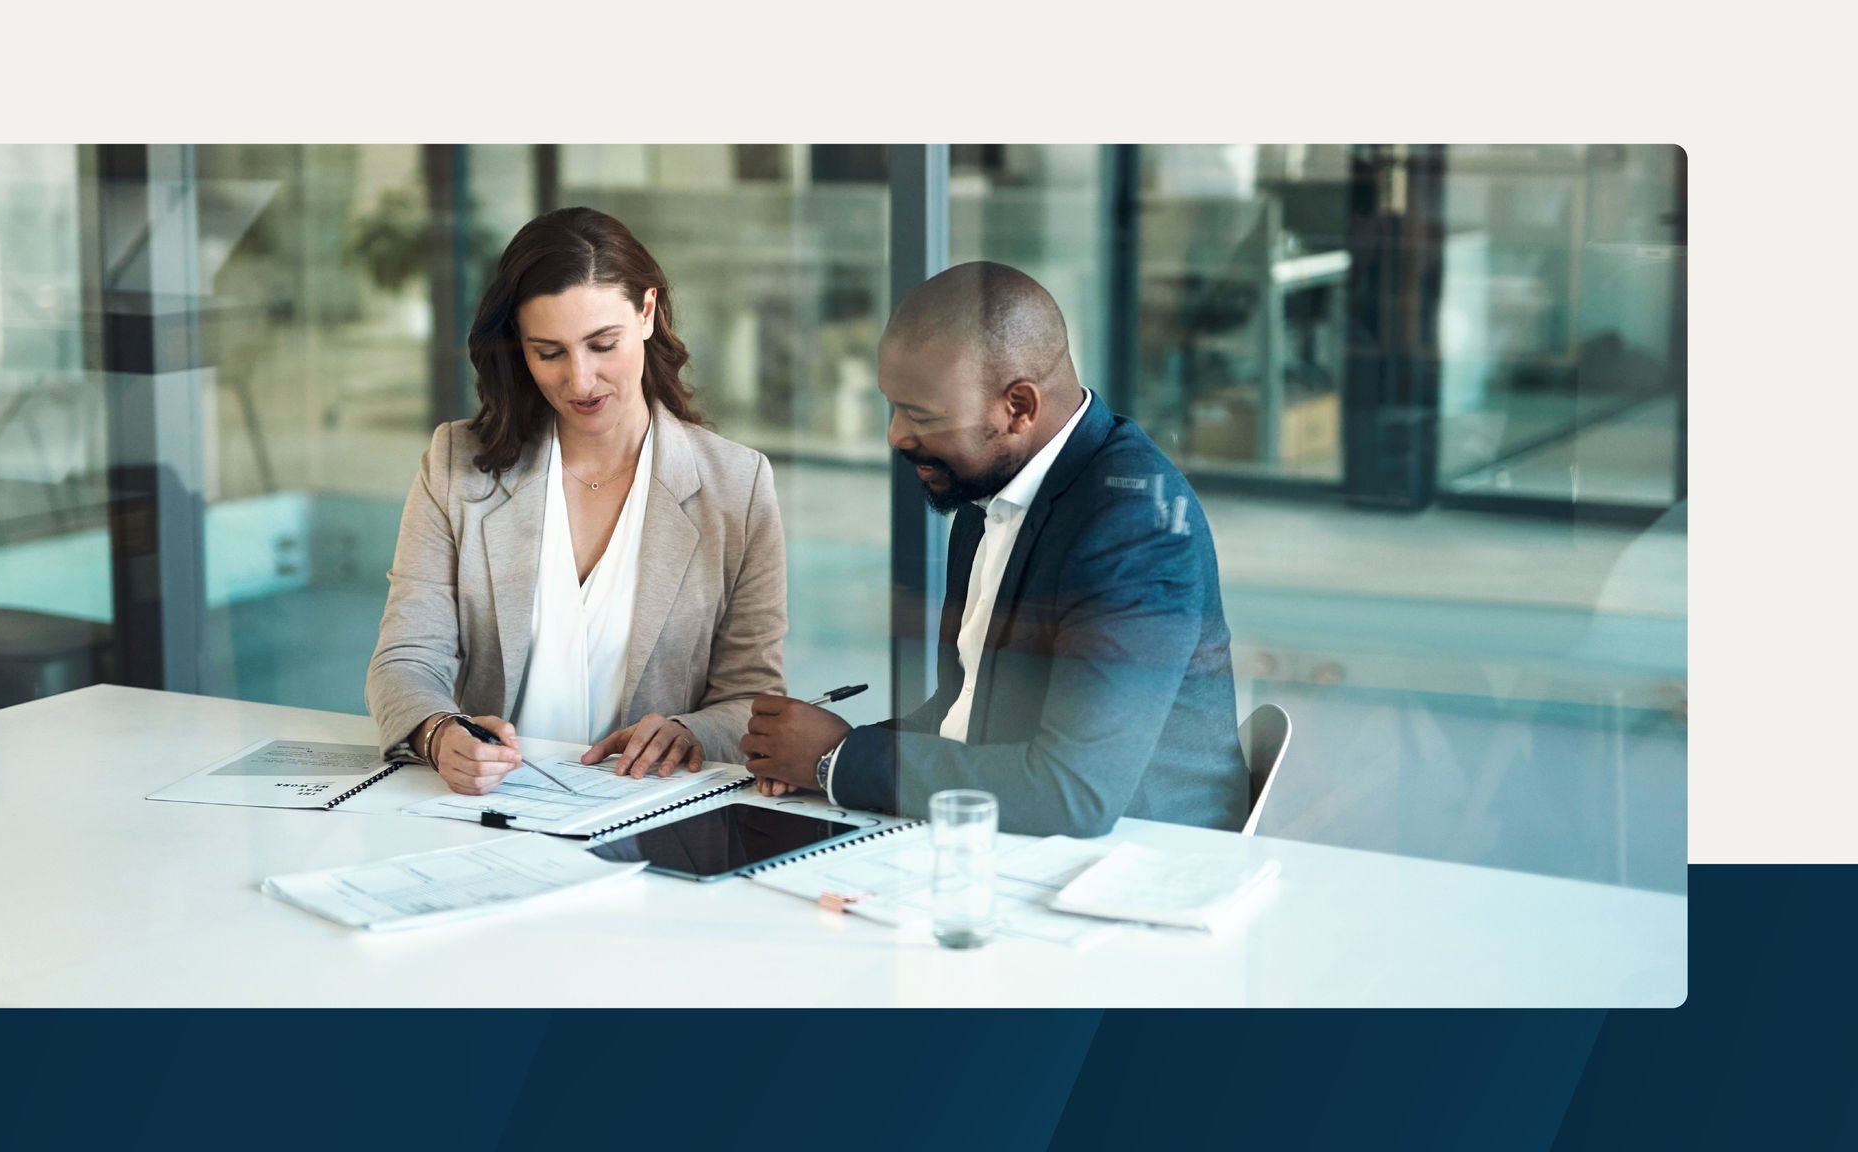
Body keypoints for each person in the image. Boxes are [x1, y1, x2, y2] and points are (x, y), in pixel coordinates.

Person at [739, 261, 1246, 837]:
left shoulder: (1133, 528)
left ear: (1019, 408)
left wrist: (841, 761)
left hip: (1138, 866)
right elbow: (966, 709)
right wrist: (820, 753)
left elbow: (1071, 793)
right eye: (894, 406)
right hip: (1020, 846)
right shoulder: (992, 491)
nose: (896, 436)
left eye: (923, 416)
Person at [367, 207, 786, 797]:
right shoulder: (455, 464)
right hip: (490, 809)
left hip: (652, 814)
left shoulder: (737, 486)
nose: (581, 381)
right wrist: (438, 732)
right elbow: (405, 659)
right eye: (549, 352)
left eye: (602, 344)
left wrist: (691, 732)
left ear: (647, 312)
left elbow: (753, 698)